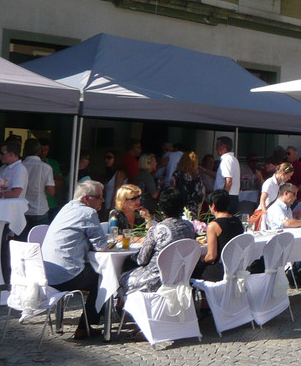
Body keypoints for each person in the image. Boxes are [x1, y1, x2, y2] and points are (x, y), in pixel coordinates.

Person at [41, 180, 108, 339]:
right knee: (104, 277)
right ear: (86, 198)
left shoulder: (67, 207)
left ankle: (94, 317)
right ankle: (85, 327)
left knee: (96, 274)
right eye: (99, 197)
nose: (103, 200)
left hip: (45, 273)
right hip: (65, 276)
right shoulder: (88, 213)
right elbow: (102, 247)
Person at [119, 187, 196, 297]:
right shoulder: (190, 227)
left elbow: (142, 260)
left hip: (156, 279)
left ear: (162, 208)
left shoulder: (156, 229)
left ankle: (124, 306)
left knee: (123, 275)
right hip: (180, 278)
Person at [194, 189, 243, 282]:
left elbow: (211, 256)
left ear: (213, 206)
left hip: (221, 269)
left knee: (192, 271)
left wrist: (202, 261)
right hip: (236, 267)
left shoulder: (213, 226)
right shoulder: (238, 221)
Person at [19, 138, 54, 238]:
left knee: (21, 240)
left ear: (24, 150)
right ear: (39, 151)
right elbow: (51, 192)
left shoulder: (19, 166)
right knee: (39, 240)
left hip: (21, 209)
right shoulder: (46, 167)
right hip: (39, 209)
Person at [214, 136, 241, 213]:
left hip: (227, 197)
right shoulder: (233, 159)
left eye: (217, 146)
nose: (216, 148)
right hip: (232, 196)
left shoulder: (226, 160)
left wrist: (223, 197)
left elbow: (228, 182)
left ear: (223, 147)